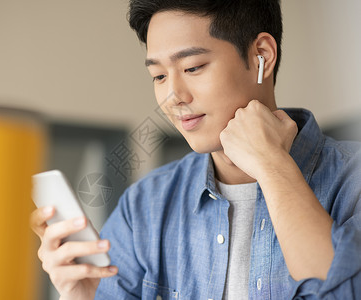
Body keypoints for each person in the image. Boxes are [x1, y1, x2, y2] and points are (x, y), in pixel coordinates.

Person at [30, 0, 361, 299]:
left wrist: (273, 166)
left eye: (192, 68)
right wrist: (80, 295)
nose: (173, 96)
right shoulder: (145, 206)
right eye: (159, 76)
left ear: (262, 55)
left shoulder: (352, 179)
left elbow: (345, 291)